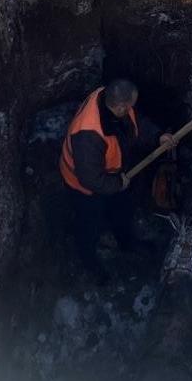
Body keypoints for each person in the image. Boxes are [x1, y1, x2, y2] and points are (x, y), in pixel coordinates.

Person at [60, 79, 174, 282]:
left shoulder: (109, 98)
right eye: (130, 106)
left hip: (113, 175)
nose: (132, 109)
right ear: (120, 106)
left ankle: (126, 242)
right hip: (84, 187)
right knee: (89, 225)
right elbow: (90, 179)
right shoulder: (88, 135)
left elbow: (136, 122)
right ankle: (90, 264)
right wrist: (118, 184)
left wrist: (158, 137)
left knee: (122, 209)